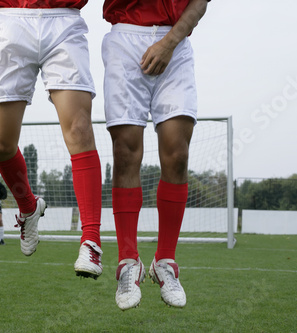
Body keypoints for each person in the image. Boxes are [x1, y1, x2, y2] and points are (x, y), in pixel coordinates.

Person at [0, 0, 103, 279]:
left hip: (64, 22)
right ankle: (28, 207)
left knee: (80, 130)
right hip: (11, 20)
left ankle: (91, 241)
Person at [102, 0, 210, 309]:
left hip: (175, 43)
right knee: (124, 152)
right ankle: (127, 262)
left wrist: (168, 43)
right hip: (124, 39)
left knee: (177, 154)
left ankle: (165, 261)